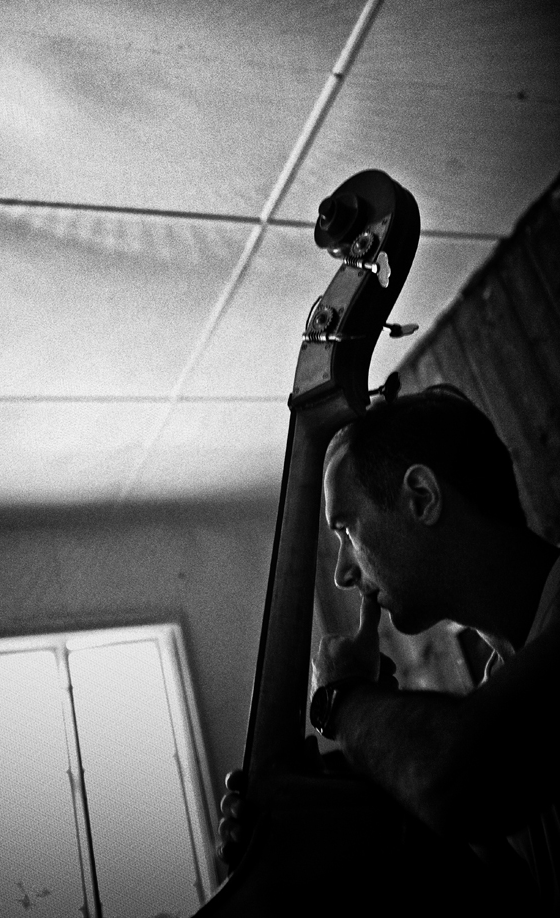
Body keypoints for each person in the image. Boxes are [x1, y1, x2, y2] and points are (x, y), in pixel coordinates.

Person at [218, 386, 560, 911]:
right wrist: (348, 801)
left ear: (421, 497)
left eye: (346, 530)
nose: (342, 572)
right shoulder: (500, 683)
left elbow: (457, 781)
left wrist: (343, 701)